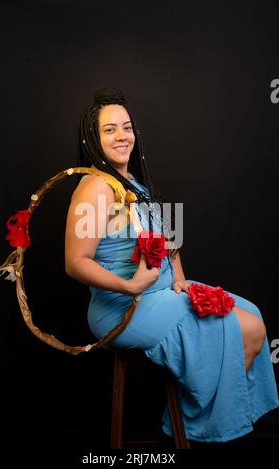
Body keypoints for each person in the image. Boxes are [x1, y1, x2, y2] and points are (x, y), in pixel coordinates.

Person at [64, 88, 279, 443]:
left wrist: (179, 277)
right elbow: (75, 262)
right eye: (109, 130)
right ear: (92, 137)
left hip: (160, 293)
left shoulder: (134, 182)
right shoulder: (96, 189)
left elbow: (165, 238)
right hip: (123, 307)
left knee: (252, 316)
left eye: (126, 127)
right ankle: (197, 426)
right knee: (248, 328)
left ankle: (194, 421)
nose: (122, 136)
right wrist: (131, 286)